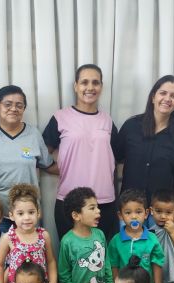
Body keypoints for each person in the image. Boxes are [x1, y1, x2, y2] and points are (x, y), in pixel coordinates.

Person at [43, 64, 119, 240]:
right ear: (76, 86)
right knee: (71, 259)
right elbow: (42, 155)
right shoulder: (61, 117)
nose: (90, 87)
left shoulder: (107, 121)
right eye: (84, 82)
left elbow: (116, 157)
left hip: (104, 202)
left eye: (95, 82)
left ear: (101, 86)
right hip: (70, 202)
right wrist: (62, 168)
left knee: (100, 257)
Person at [0, 85, 58, 232]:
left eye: (19, 105)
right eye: (7, 104)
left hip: (26, 213)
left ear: (24, 109)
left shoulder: (33, 135)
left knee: (26, 255)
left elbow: (48, 165)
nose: (14, 108)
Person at [116, 75, 174, 229]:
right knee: (128, 252)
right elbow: (116, 159)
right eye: (163, 93)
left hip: (162, 212)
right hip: (130, 210)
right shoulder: (131, 126)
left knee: (160, 253)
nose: (167, 99)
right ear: (153, 97)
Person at [0, 184, 58, 283]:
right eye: (20, 213)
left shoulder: (44, 236)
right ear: (12, 216)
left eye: (31, 212)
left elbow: (51, 261)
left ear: (38, 213)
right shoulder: (8, 238)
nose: (27, 217)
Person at [107, 189, 164, 283]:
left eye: (138, 212)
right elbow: (114, 266)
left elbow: (157, 264)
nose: (134, 217)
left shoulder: (152, 239)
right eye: (128, 213)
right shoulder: (116, 240)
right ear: (120, 215)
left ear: (146, 213)